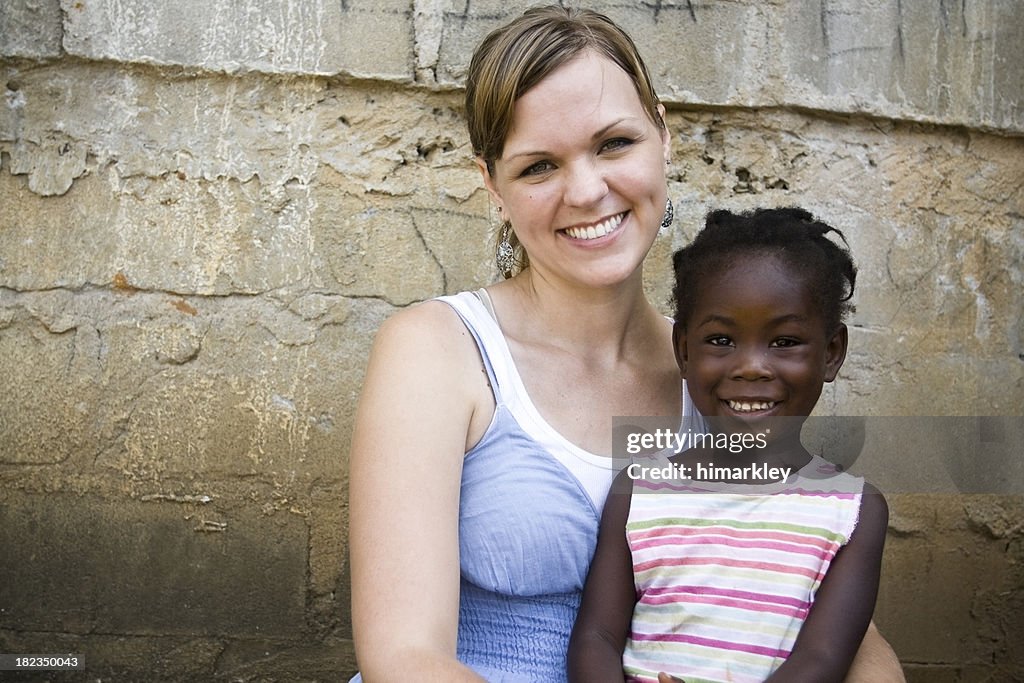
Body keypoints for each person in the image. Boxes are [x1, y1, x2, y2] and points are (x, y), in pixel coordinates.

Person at [348, 7, 903, 682]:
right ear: (492, 185)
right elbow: (404, 659)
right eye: (538, 166)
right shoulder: (439, 351)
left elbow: (839, 622)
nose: (587, 191)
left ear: (662, 137)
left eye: (613, 143)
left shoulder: (724, 375)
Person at [568, 208, 889, 682]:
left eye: (785, 342)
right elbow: (597, 637)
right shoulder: (638, 492)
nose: (752, 367)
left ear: (832, 353)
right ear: (683, 350)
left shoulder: (853, 510)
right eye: (721, 339)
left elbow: (820, 662)